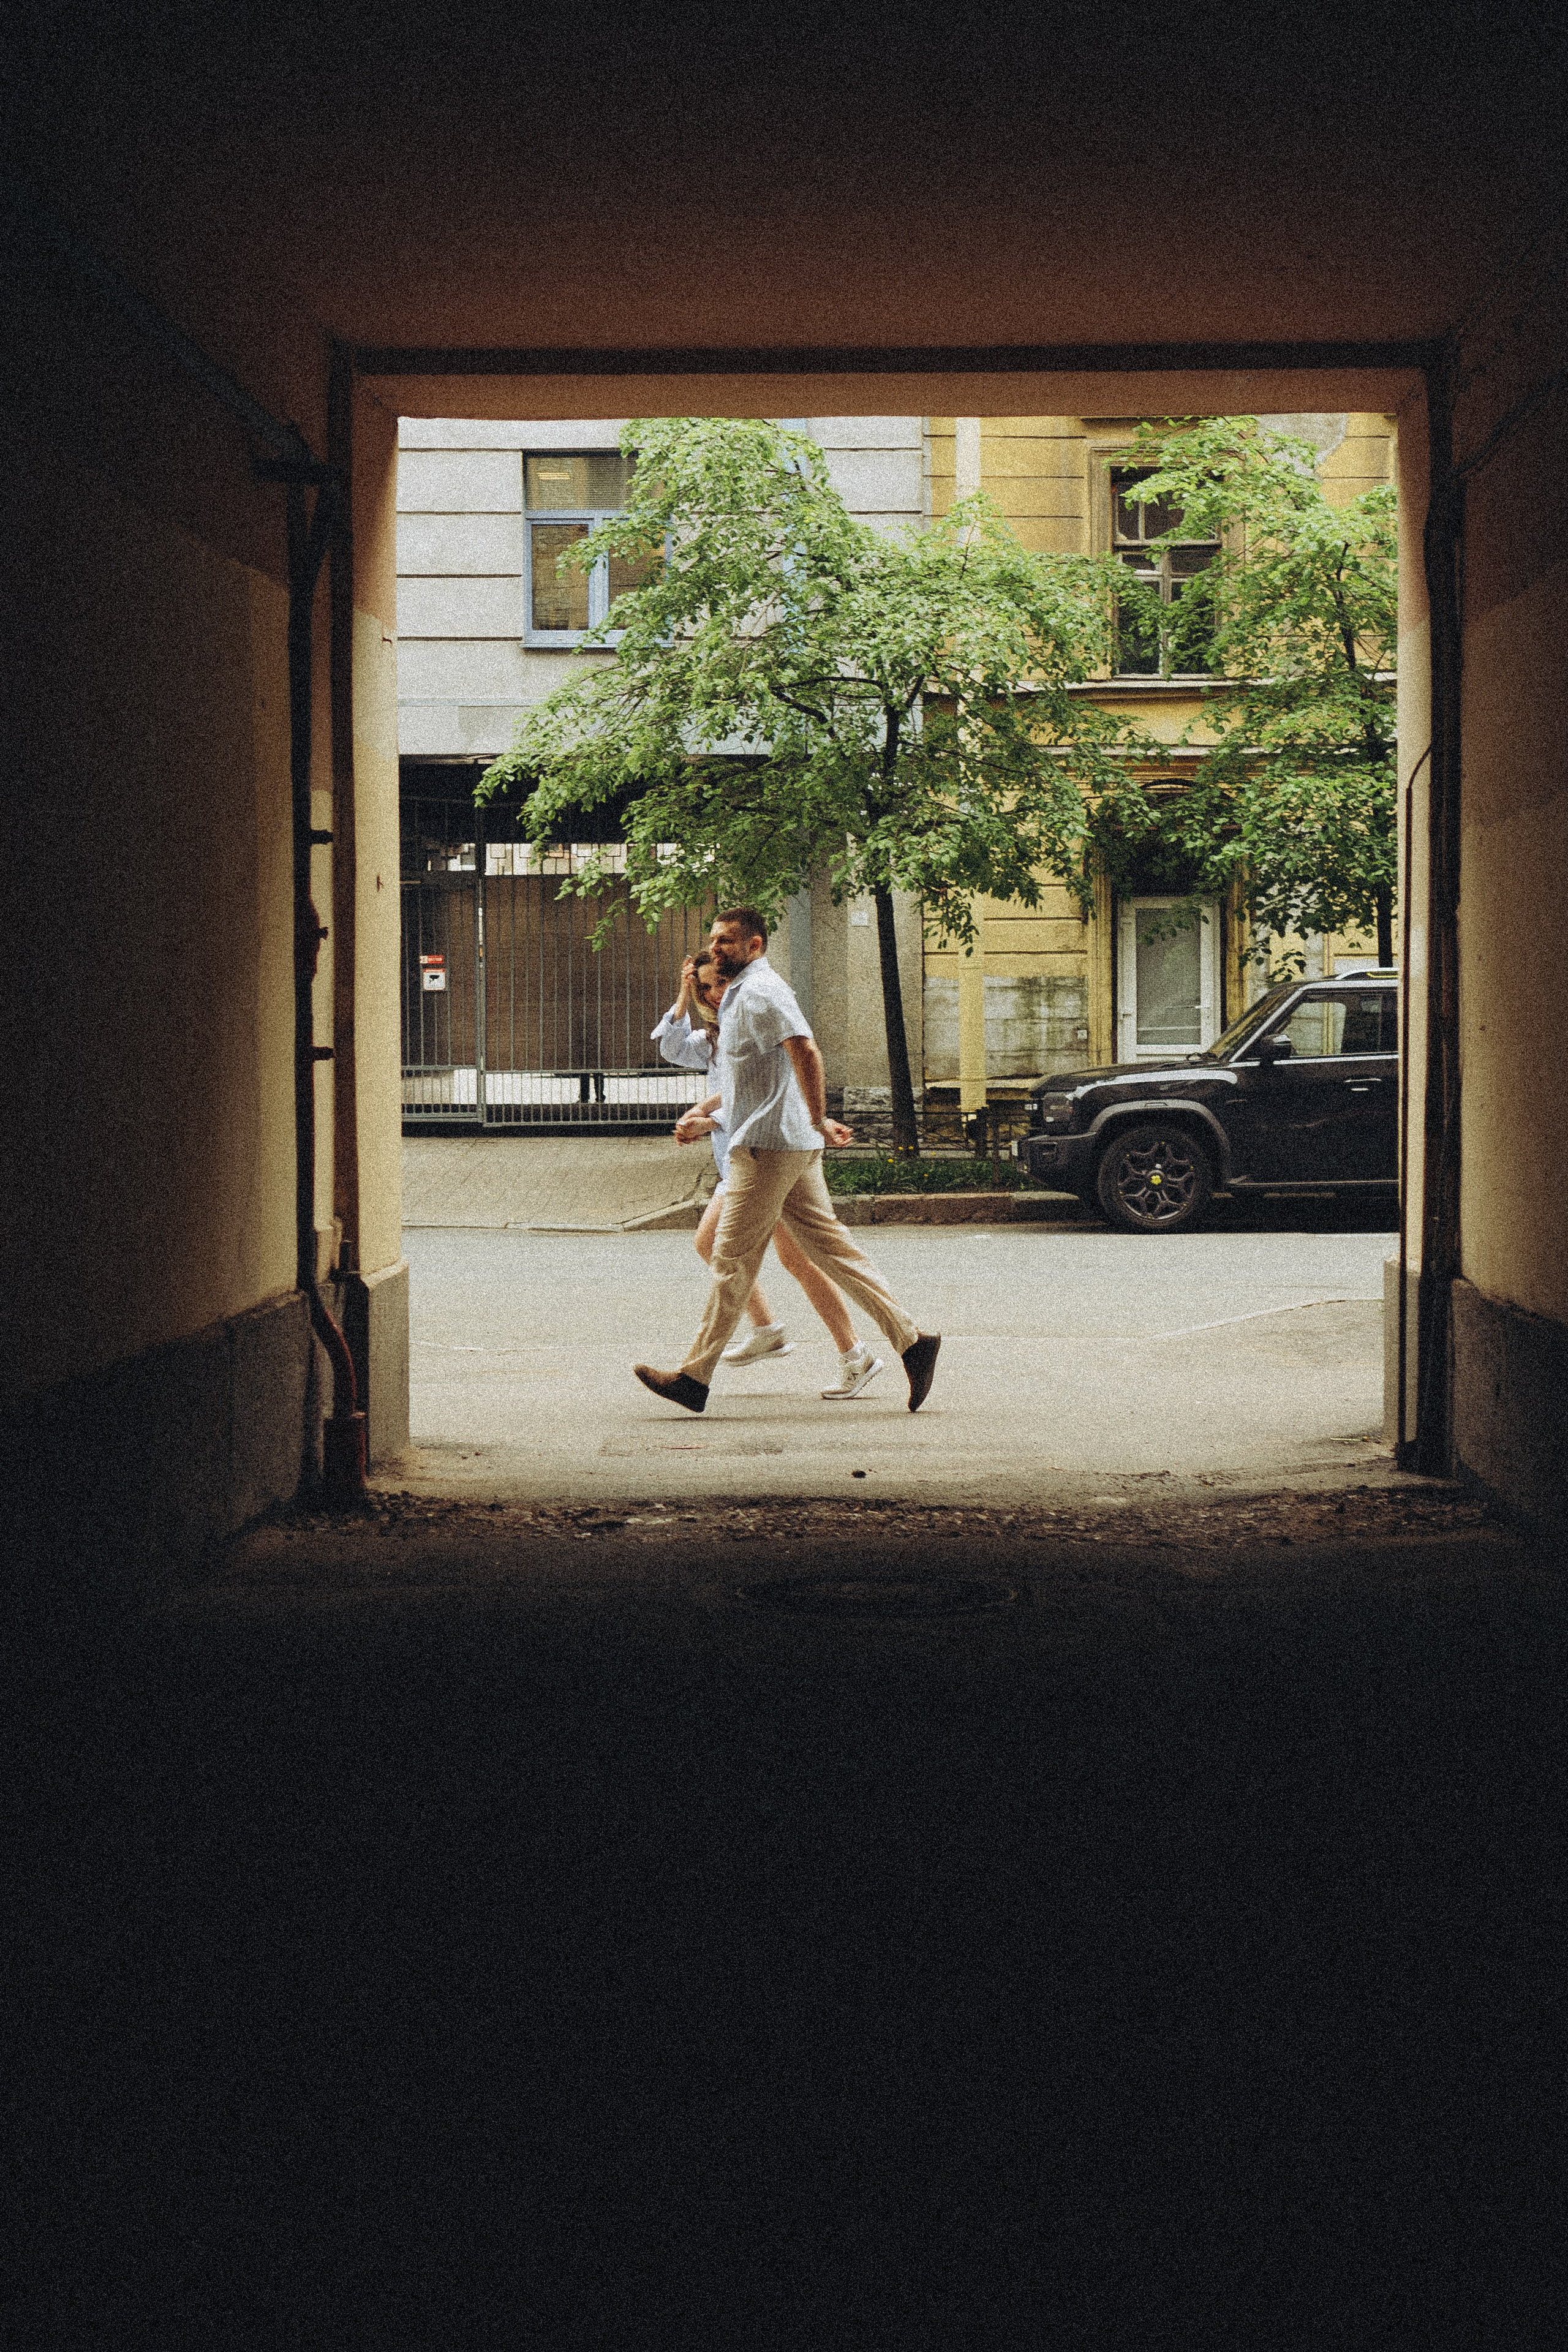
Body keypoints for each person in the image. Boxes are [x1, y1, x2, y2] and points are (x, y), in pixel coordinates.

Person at [633, 908, 941, 1417]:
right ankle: (912, 1341)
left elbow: (805, 1050)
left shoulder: (760, 993)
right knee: (831, 1251)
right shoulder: (738, 996)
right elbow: (744, 1079)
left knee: (729, 1259)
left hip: (769, 1147)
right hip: (786, 1144)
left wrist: (819, 1118)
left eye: (729, 941)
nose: (718, 949)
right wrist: (708, 1113)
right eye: (715, 940)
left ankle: (694, 1377)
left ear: (755, 946)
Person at [652, 949, 884, 1398]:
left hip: (767, 1156)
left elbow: (773, 1091)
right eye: (705, 988)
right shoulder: (716, 1037)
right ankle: (776, 1333)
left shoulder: (757, 1015)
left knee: (795, 1258)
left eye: (718, 983)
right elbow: (671, 1047)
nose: (712, 994)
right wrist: (684, 990)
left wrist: (708, 1118)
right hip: (744, 1162)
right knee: (762, 1253)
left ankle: (847, 1351)